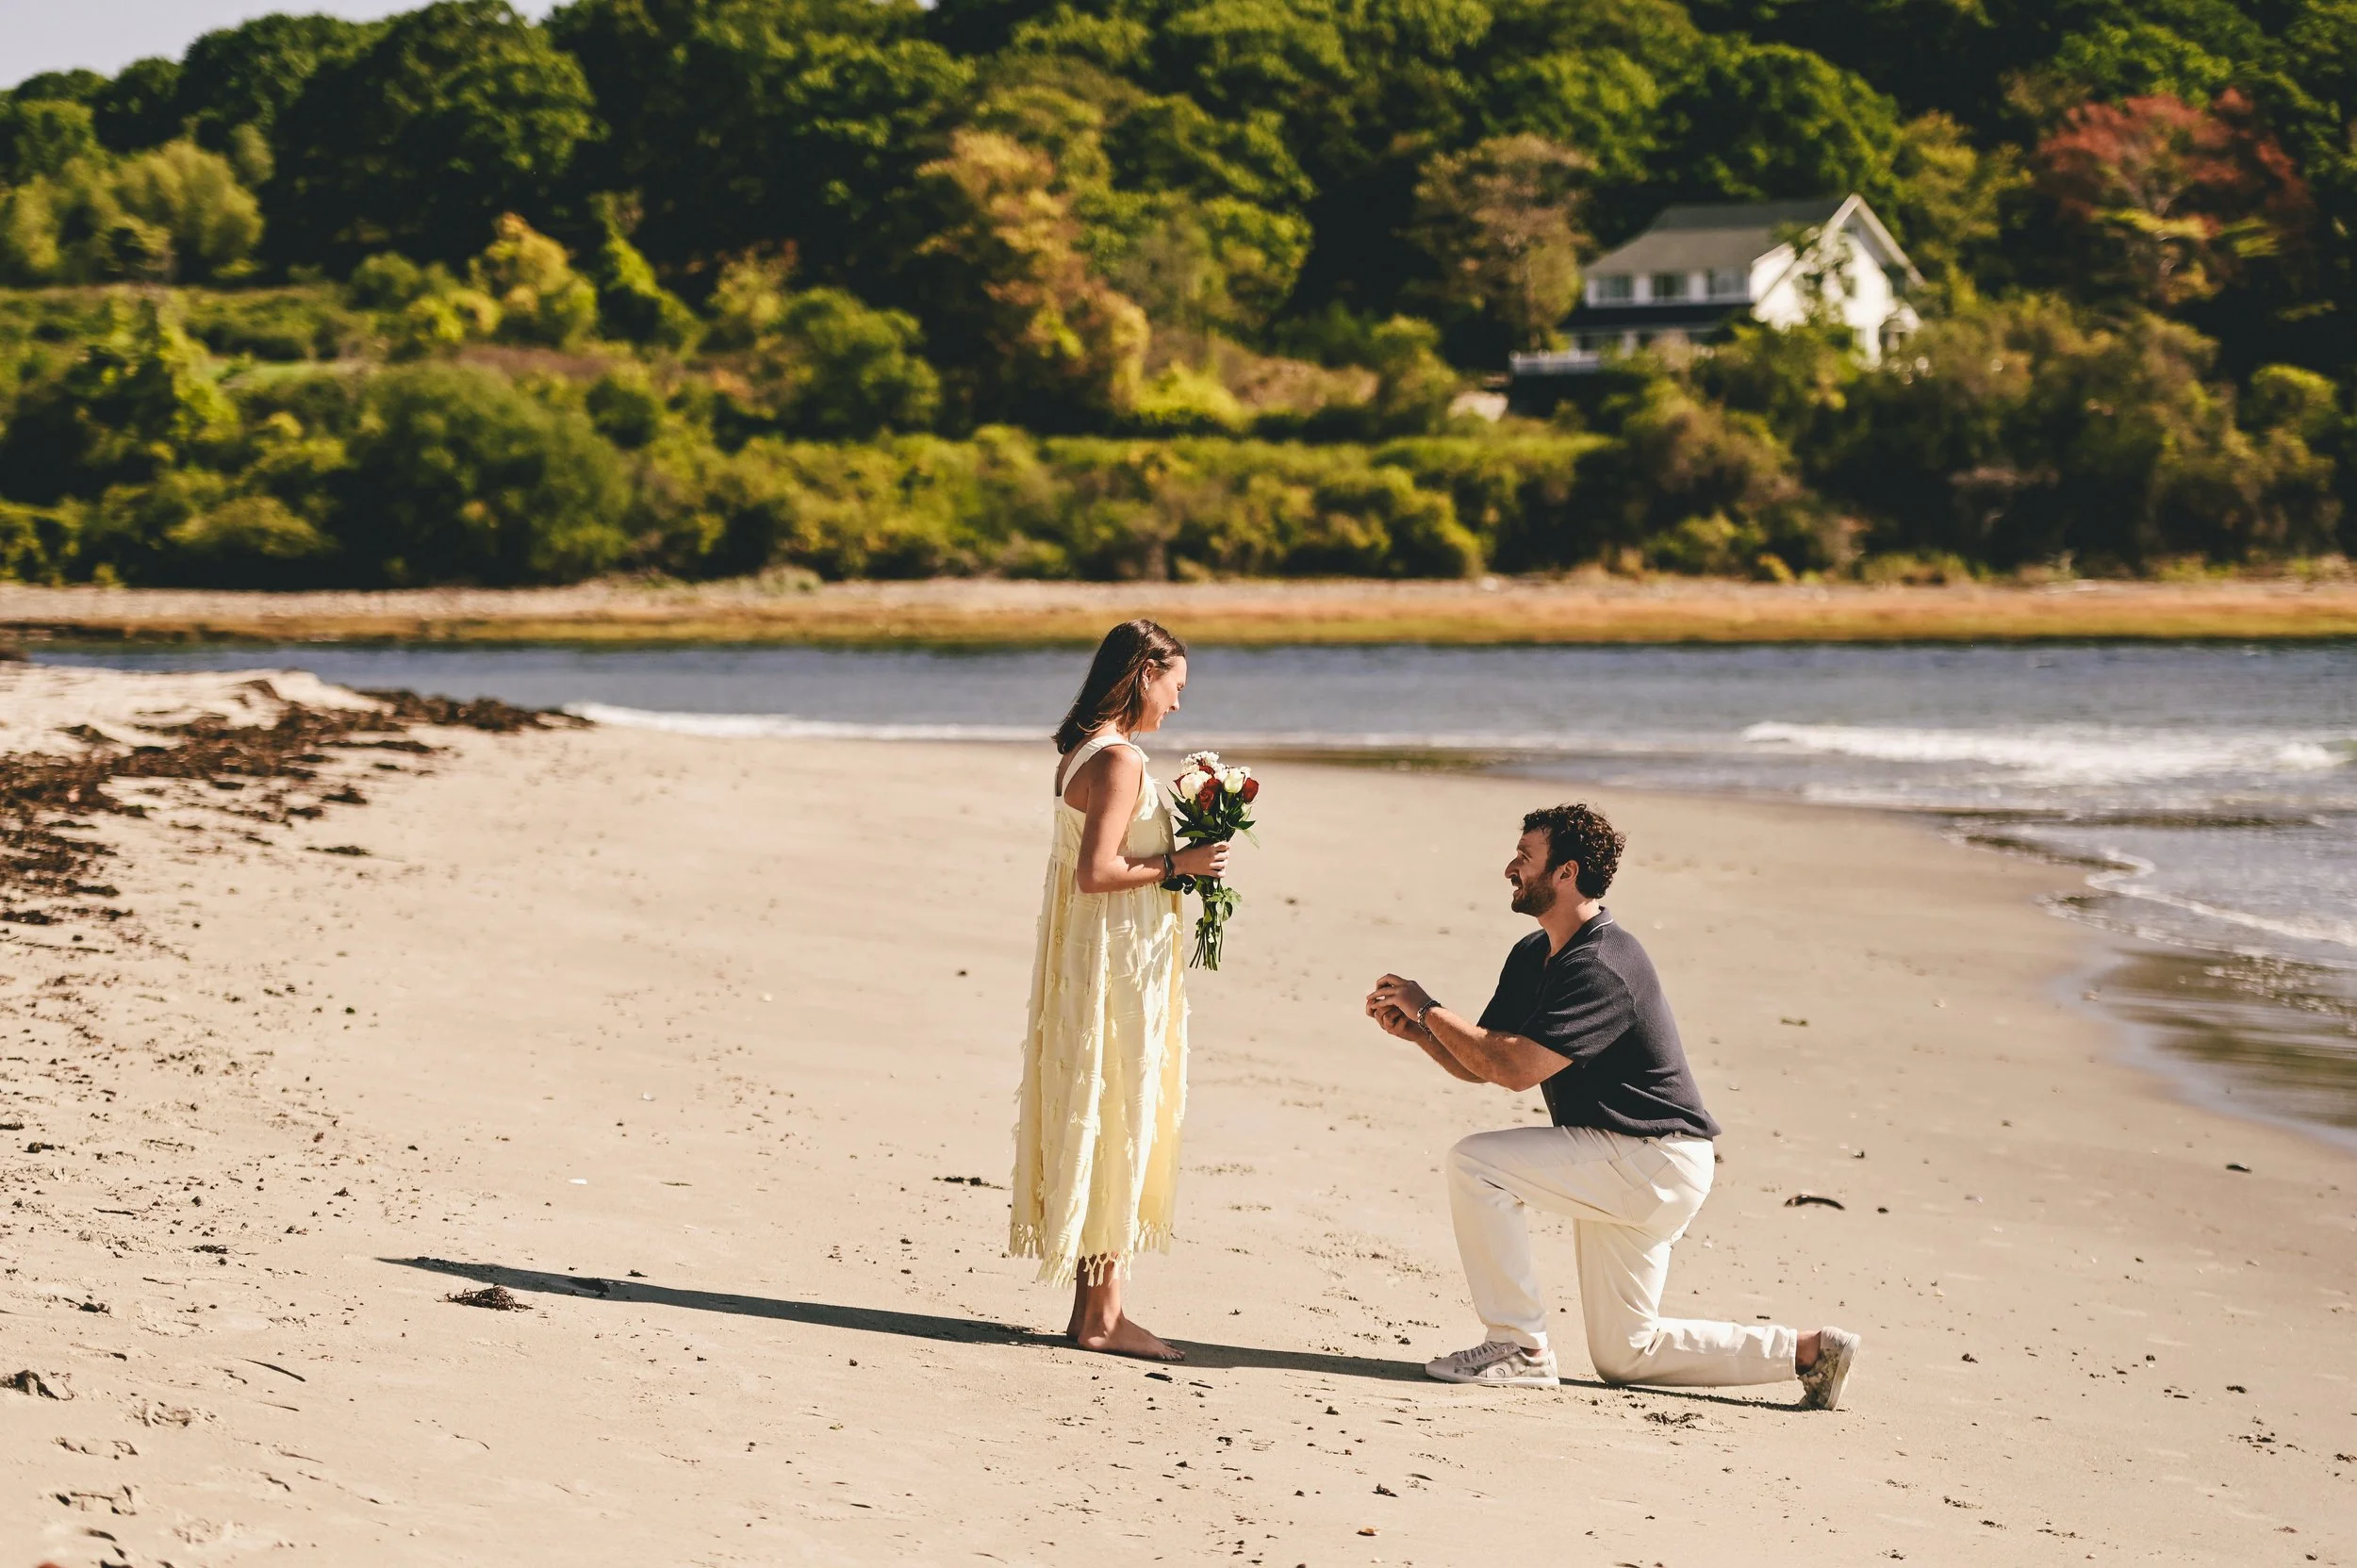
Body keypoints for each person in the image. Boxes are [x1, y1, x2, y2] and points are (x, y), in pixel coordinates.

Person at [1365, 802, 1860, 1409]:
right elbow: (1488, 1062)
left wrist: (1426, 1006)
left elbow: (1516, 1070)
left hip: (1650, 1157)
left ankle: (1519, 1347)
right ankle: (1810, 1352)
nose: (1509, 868)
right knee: (1627, 1354)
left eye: (1525, 856)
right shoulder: (1532, 954)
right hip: (1632, 1161)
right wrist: (1421, 1032)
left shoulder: (1604, 963)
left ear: (1567, 871)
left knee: (1477, 1164)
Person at [1010, 619, 1229, 1362]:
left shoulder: (1081, 752)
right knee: (1120, 1111)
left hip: (1090, 956)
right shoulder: (1120, 759)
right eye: (1175, 685)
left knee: (1103, 1110)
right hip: (1114, 964)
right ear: (1144, 674)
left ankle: (1092, 1310)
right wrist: (1184, 864)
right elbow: (1097, 871)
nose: (1178, 703)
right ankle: (1103, 1317)